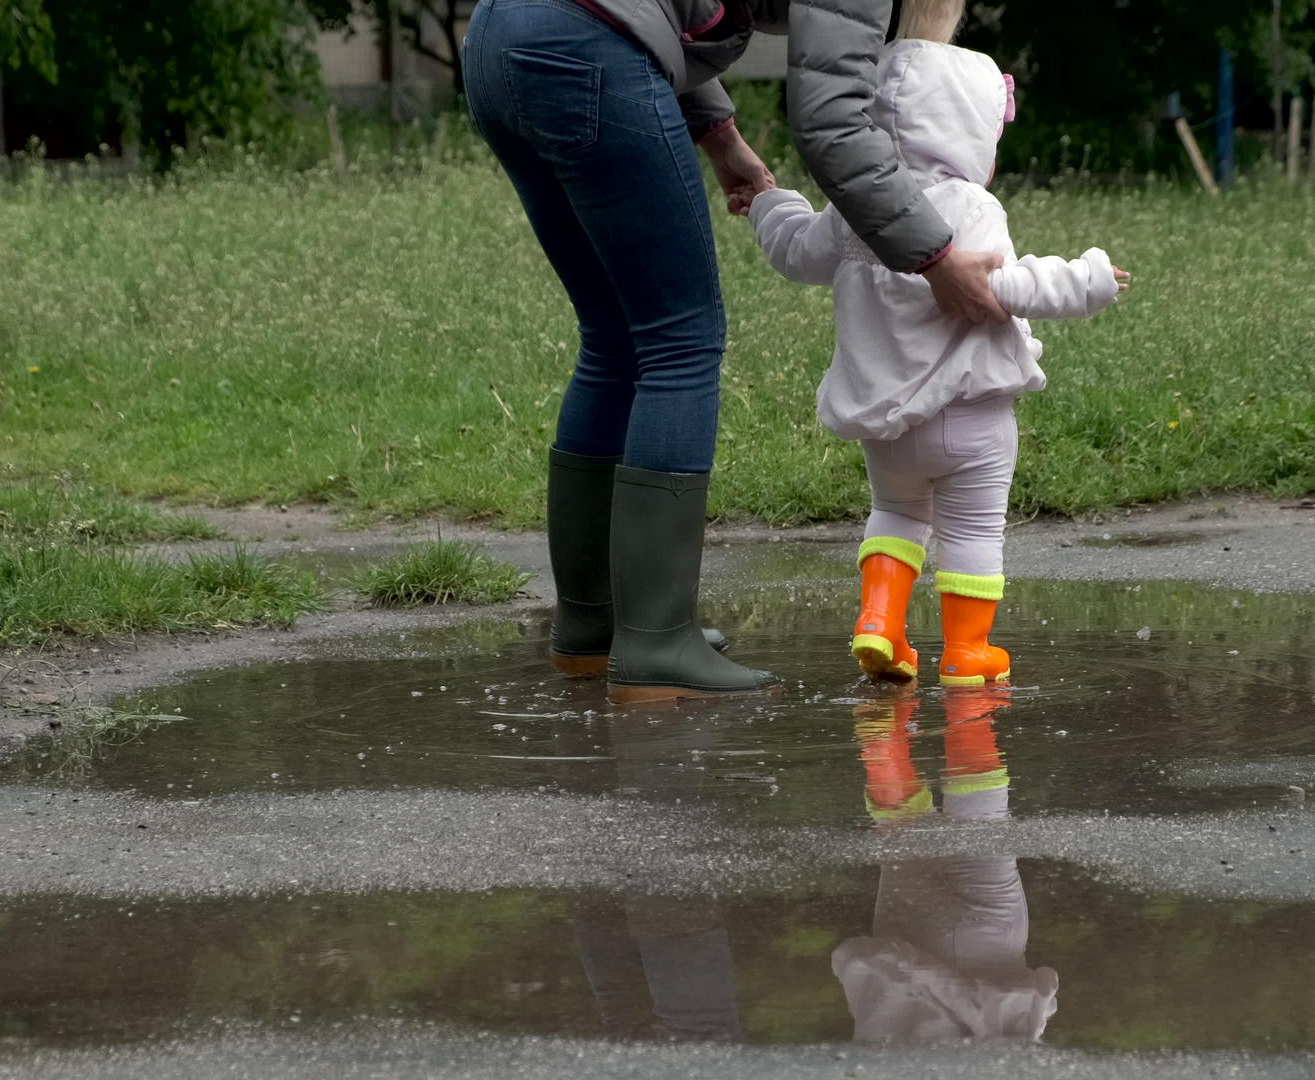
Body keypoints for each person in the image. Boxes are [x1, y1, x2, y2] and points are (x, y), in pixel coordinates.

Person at [462, 0, 1015, 704]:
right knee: (679, 339)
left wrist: (722, 138)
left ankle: (595, 627)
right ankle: (657, 643)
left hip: (500, 36)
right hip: (586, 45)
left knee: (614, 337)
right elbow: (831, 121)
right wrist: (935, 256)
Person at [749, 37, 1129, 687]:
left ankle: (880, 621)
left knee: (896, 513)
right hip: (971, 413)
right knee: (975, 528)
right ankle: (966, 651)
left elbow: (792, 251)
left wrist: (764, 198)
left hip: (888, 421)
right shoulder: (970, 207)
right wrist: (1088, 279)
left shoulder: (855, 208)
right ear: (971, 131)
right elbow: (1003, 286)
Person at [838, 689, 1059, 1042]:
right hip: (906, 965)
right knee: (901, 830)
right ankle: (879, 718)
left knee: (982, 823)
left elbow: (1043, 987)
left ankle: (965, 674)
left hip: (991, 948)